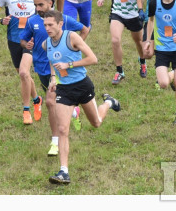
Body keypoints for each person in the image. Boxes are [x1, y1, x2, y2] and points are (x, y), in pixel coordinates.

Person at [43, 10, 121, 185]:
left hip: (82, 85)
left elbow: (93, 59)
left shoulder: (71, 38)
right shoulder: (46, 43)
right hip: (64, 90)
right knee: (63, 129)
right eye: (45, 25)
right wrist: (54, 77)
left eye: (50, 25)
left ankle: (109, 102)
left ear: (60, 24)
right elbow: (51, 59)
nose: (47, 28)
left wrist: (68, 65)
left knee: (96, 122)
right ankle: (64, 171)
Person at [21, 0, 89, 156]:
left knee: (51, 102)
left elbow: (84, 29)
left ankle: (55, 142)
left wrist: (72, 49)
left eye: (41, 5)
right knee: (57, 102)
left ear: (50, 3)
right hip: (43, 68)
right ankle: (74, 111)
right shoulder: (32, 22)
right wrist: (26, 45)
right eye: (35, 5)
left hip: (61, 68)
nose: (38, 8)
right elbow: (23, 39)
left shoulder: (63, 20)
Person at [0, 0, 42, 125]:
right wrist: (1, 20)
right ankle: (37, 99)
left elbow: (47, 11)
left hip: (31, 39)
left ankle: (26, 111)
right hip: (13, 39)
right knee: (23, 74)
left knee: (24, 74)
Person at [96, 0, 147, 84]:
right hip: (117, 12)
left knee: (139, 42)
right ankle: (119, 71)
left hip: (133, 14)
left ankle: (142, 61)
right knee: (115, 40)